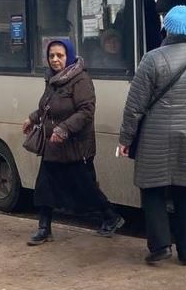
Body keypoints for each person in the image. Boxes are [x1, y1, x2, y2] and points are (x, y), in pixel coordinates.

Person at [118, 5, 186, 266]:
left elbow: (135, 106)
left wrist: (126, 139)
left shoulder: (151, 59)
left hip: (155, 138)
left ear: (166, 28)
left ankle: (161, 245)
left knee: (152, 191)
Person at [23, 39, 125, 246]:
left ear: (68, 56)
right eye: (51, 56)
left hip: (75, 146)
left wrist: (64, 129)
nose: (55, 60)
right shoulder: (52, 79)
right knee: (45, 185)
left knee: (84, 187)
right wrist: (32, 118)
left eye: (59, 55)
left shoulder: (81, 80)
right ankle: (44, 228)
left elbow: (86, 111)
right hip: (52, 144)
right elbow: (47, 107)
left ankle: (111, 216)